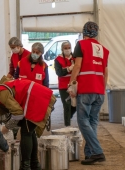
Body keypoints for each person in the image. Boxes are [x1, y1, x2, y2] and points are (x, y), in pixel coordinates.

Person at [0, 78, 56, 170]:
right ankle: (35, 164)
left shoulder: (1, 94)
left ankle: (25, 167)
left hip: (35, 98)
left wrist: (7, 127)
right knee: (30, 132)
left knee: (26, 133)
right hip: (36, 96)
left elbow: (18, 113)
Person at [68, 21, 109, 165]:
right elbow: (105, 72)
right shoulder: (104, 49)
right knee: (93, 122)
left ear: (84, 32)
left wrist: (71, 84)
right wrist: (102, 91)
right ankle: (89, 154)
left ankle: (97, 152)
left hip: (86, 89)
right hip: (99, 91)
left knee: (82, 121)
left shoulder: (82, 45)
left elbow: (77, 65)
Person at [54, 41, 77, 126]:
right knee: (67, 105)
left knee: (76, 105)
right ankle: (67, 125)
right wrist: (69, 69)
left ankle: (68, 117)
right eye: (65, 48)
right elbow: (59, 73)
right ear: (62, 49)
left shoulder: (75, 58)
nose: (67, 50)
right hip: (64, 86)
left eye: (69, 47)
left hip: (75, 85)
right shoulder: (58, 60)